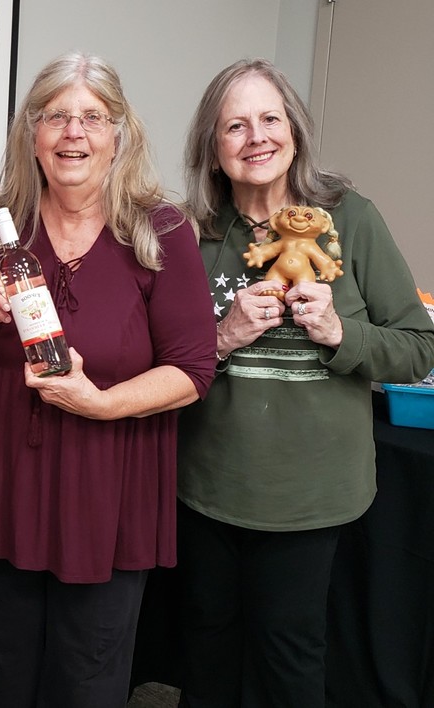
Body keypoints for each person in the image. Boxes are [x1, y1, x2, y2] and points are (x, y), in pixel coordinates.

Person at [0, 51, 217, 708]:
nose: (73, 132)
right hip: (5, 493)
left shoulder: (160, 232)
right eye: (55, 116)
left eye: (93, 117)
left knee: (88, 681)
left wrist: (99, 404)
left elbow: (192, 371)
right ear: (33, 135)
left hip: (108, 498)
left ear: (118, 134)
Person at [176, 58, 434, 708]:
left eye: (270, 118)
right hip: (207, 486)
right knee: (206, 652)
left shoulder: (352, 219)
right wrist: (223, 336)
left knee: (288, 659)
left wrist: (341, 333)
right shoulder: (190, 234)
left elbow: (419, 349)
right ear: (213, 145)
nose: (256, 137)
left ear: (294, 129)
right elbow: (161, 362)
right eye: (235, 125)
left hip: (310, 496)